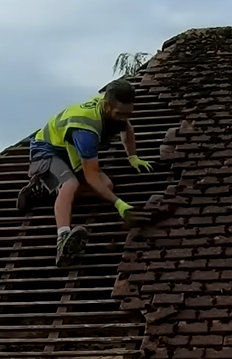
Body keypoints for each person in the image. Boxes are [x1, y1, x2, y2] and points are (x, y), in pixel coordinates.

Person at [17, 78, 153, 266]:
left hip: (70, 150)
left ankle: (46, 188)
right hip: (46, 150)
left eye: (127, 113)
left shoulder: (112, 110)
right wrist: (120, 205)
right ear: (106, 106)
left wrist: (133, 157)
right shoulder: (86, 130)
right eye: (120, 113)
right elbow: (91, 176)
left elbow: (126, 127)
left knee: (106, 185)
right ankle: (62, 237)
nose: (124, 118)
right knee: (71, 184)